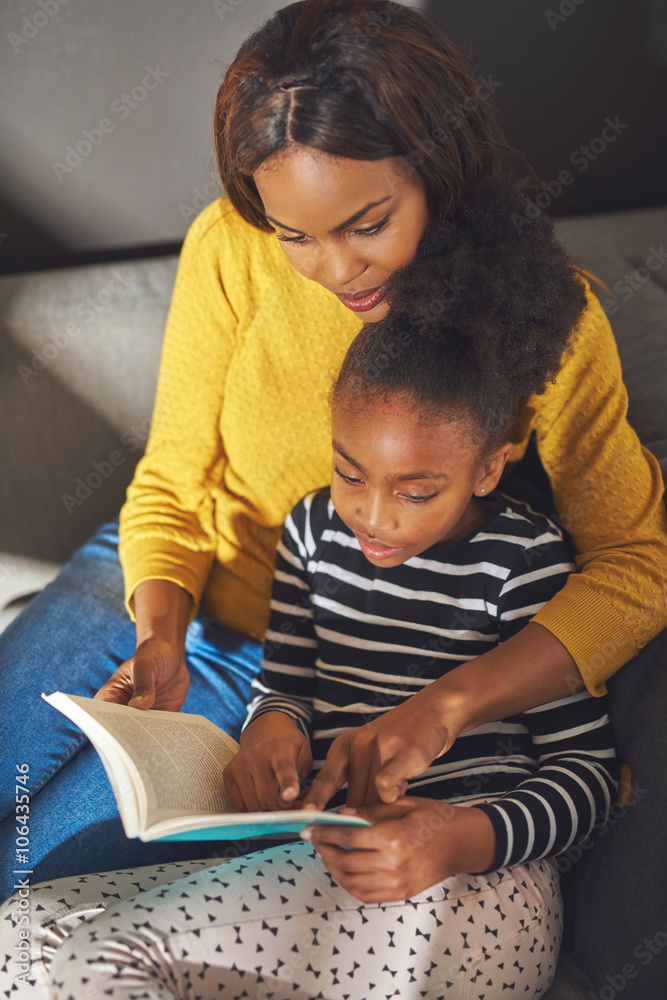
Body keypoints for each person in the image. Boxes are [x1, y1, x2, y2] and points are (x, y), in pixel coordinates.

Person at [0, 0, 664, 994]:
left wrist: (451, 705)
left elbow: (636, 563)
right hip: (169, 582)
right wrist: (160, 636)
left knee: (27, 873)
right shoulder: (228, 250)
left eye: (365, 224)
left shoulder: (546, 319)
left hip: (308, 652)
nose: (336, 270)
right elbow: (172, 479)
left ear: (437, 169)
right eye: (294, 236)